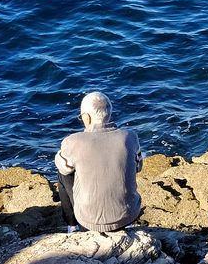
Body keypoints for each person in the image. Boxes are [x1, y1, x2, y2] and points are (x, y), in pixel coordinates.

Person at [55, 91, 143, 232]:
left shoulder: (73, 141)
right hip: (128, 216)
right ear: (109, 113)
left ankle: (72, 226)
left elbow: (62, 167)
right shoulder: (129, 137)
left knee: (63, 173)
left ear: (86, 117)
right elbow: (138, 167)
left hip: (88, 222)